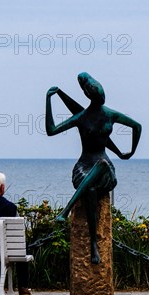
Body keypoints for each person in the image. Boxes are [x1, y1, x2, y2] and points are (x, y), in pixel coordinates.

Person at [46, 72, 142, 264]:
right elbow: (52, 130)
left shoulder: (110, 114)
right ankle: (93, 245)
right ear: (86, 94)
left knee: (103, 164)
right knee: (89, 188)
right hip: (83, 167)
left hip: (105, 170)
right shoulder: (81, 117)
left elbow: (137, 126)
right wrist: (48, 100)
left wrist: (128, 152)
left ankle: (66, 211)